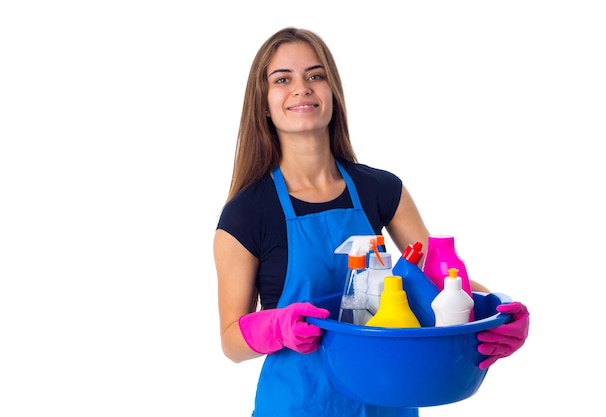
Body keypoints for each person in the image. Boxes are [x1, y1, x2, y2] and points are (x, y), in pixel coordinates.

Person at [213, 27, 530, 417]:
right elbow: (231, 339)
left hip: (388, 400)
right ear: (263, 103)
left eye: (316, 75)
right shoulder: (246, 213)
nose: (302, 88)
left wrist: (497, 310)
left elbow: (439, 282)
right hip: (299, 403)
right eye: (282, 79)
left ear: (334, 93)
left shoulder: (381, 190)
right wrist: (278, 326)